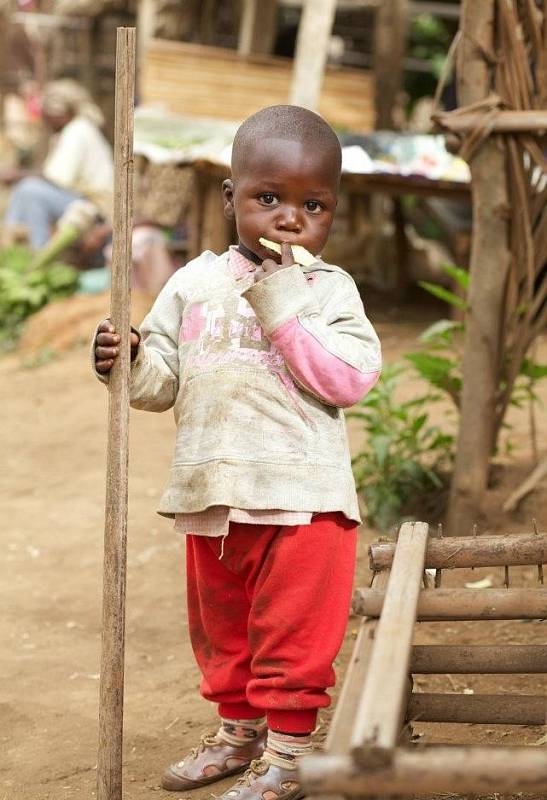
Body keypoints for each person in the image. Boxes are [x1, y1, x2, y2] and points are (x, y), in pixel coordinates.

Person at [93, 105, 381, 800]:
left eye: (312, 204)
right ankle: (238, 732)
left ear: (332, 211)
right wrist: (126, 359)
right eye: (268, 199)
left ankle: (288, 754)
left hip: (304, 500)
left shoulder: (329, 290)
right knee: (224, 632)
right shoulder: (192, 283)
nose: (289, 217)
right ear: (231, 199)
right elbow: (161, 383)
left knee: (293, 634)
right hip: (213, 493)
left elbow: (347, 379)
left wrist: (280, 300)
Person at [2, 79, 113, 249]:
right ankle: (9, 242)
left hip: (93, 207)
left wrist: (17, 174)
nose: (46, 120)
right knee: (24, 190)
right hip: (80, 199)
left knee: (30, 191)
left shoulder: (77, 130)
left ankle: (37, 249)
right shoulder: (75, 129)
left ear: (61, 114)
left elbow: (57, 178)